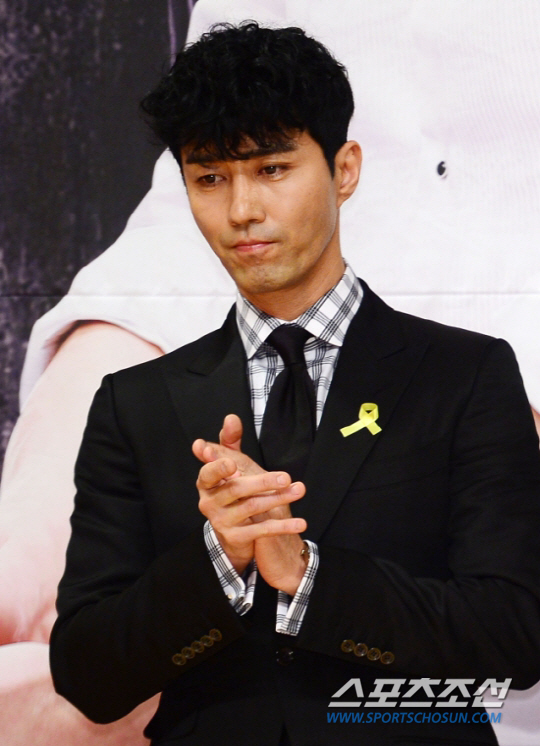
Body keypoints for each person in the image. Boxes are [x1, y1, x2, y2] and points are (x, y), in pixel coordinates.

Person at [48, 21, 540, 746]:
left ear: (344, 169)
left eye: (272, 169)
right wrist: (221, 559)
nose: (241, 210)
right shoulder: (136, 402)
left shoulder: (466, 376)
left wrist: (309, 575)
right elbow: (87, 675)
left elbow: (517, 637)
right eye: (209, 178)